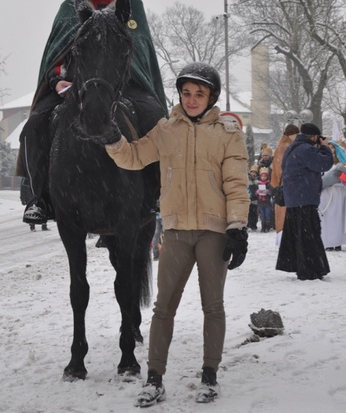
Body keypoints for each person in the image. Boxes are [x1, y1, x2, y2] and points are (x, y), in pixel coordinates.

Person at [103, 63, 250, 406]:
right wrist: (113, 139)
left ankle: (209, 375)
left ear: (211, 96)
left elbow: (236, 185)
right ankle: (154, 378)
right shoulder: (166, 129)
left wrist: (238, 227)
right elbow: (135, 156)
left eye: (199, 94)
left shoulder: (228, 133)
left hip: (214, 232)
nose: (192, 99)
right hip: (176, 231)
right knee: (163, 307)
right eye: (186, 93)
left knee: (212, 306)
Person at [16, 0, 167, 224]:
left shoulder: (129, 2)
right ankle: (39, 199)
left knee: (156, 118)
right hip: (75, 87)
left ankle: (155, 195)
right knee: (34, 125)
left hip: (126, 85)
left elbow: (140, 49)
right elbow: (56, 53)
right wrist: (58, 79)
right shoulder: (70, 7)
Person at [276, 122, 333, 280]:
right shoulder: (305, 149)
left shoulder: (292, 148)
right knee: (309, 236)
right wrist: (325, 147)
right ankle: (310, 269)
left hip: (294, 199)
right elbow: (325, 164)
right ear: (314, 136)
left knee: (297, 236)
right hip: (304, 198)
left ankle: (297, 264)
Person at [271, 124, 300, 245]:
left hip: (281, 184)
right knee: (285, 213)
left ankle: (282, 236)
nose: (297, 137)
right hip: (285, 184)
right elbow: (281, 168)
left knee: (282, 213)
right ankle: (285, 238)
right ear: (291, 134)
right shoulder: (286, 146)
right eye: (296, 134)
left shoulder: (282, 145)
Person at [319, 140, 346, 251]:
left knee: (338, 217)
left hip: (339, 191)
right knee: (327, 217)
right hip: (326, 192)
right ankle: (328, 242)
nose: (331, 149)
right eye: (328, 146)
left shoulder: (341, 162)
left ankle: (338, 241)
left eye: (332, 147)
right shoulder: (321, 161)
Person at [247, 165, 259, 231]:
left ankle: (253, 225)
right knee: (248, 213)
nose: (253, 174)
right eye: (252, 172)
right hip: (248, 198)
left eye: (255, 172)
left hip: (255, 199)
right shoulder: (247, 180)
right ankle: (248, 225)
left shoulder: (257, 181)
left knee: (254, 213)